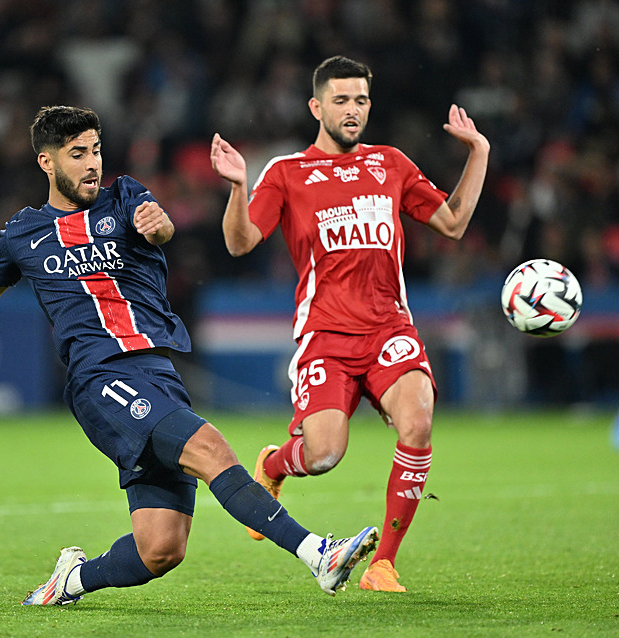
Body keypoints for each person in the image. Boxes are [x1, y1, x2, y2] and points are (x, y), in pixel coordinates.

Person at [0, 105, 379, 605]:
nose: (92, 163)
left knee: (161, 549)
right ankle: (318, 554)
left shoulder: (125, 196)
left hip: (156, 369)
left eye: (95, 150)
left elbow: (158, 229)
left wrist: (158, 226)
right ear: (46, 163)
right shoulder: (23, 233)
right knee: (210, 447)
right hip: (100, 377)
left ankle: (71, 581)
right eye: (77, 154)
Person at [210, 56, 490, 592]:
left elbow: (452, 223)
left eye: (360, 99)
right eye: (341, 100)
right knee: (325, 455)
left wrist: (478, 152)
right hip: (327, 338)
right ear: (317, 106)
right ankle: (275, 463)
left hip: (390, 328)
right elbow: (240, 242)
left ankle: (383, 563)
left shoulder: (391, 163)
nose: (353, 109)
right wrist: (237, 188)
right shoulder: (287, 172)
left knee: (419, 422)